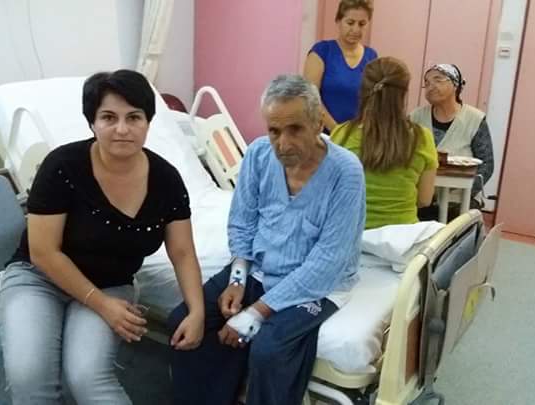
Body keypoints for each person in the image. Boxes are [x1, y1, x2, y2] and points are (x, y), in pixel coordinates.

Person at [0, 69, 205, 404]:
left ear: (148, 122)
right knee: (30, 378)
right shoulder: (62, 167)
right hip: (39, 279)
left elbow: (182, 252)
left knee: (87, 377)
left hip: (111, 284)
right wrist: (101, 305)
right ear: (92, 122)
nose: (122, 129)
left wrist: (197, 311)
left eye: (133, 117)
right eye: (109, 117)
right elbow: (44, 252)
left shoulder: (166, 180)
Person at [168, 75, 366, 405]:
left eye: (295, 129)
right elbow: (242, 221)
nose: (283, 143)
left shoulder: (345, 171)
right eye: (274, 131)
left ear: (318, 123)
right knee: (184, 320)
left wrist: (255, 313)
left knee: (269, 350)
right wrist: (237, 278)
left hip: (319, 284)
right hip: (259, 270)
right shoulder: (258, 154)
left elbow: (328, 260)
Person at [332, 57, 437, 229]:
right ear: (403, 94)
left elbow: (330, 191)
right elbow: (424, 200)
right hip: (402, 238)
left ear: (363, 90)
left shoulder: (341, 134)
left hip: (352, 234)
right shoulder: (423, 138)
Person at [410, 63, 494, 211]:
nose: (430, 87)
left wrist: (463, 192)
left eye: (438, 80)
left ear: (455, 85)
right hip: (420, 199)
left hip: (461, 200)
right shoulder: (415, 117)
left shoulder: (474, 119)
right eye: (427, 83)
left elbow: (487, 165)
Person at [303, 0, 377, 133]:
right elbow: (310, 96)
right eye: (350, 23)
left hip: (357, 136)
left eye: (362, 24)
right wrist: (336, 131)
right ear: (338, 21)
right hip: (322, 134)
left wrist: (356, 134)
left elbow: (373, 101)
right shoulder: (322, 51)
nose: (356, 29)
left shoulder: (371, 56)